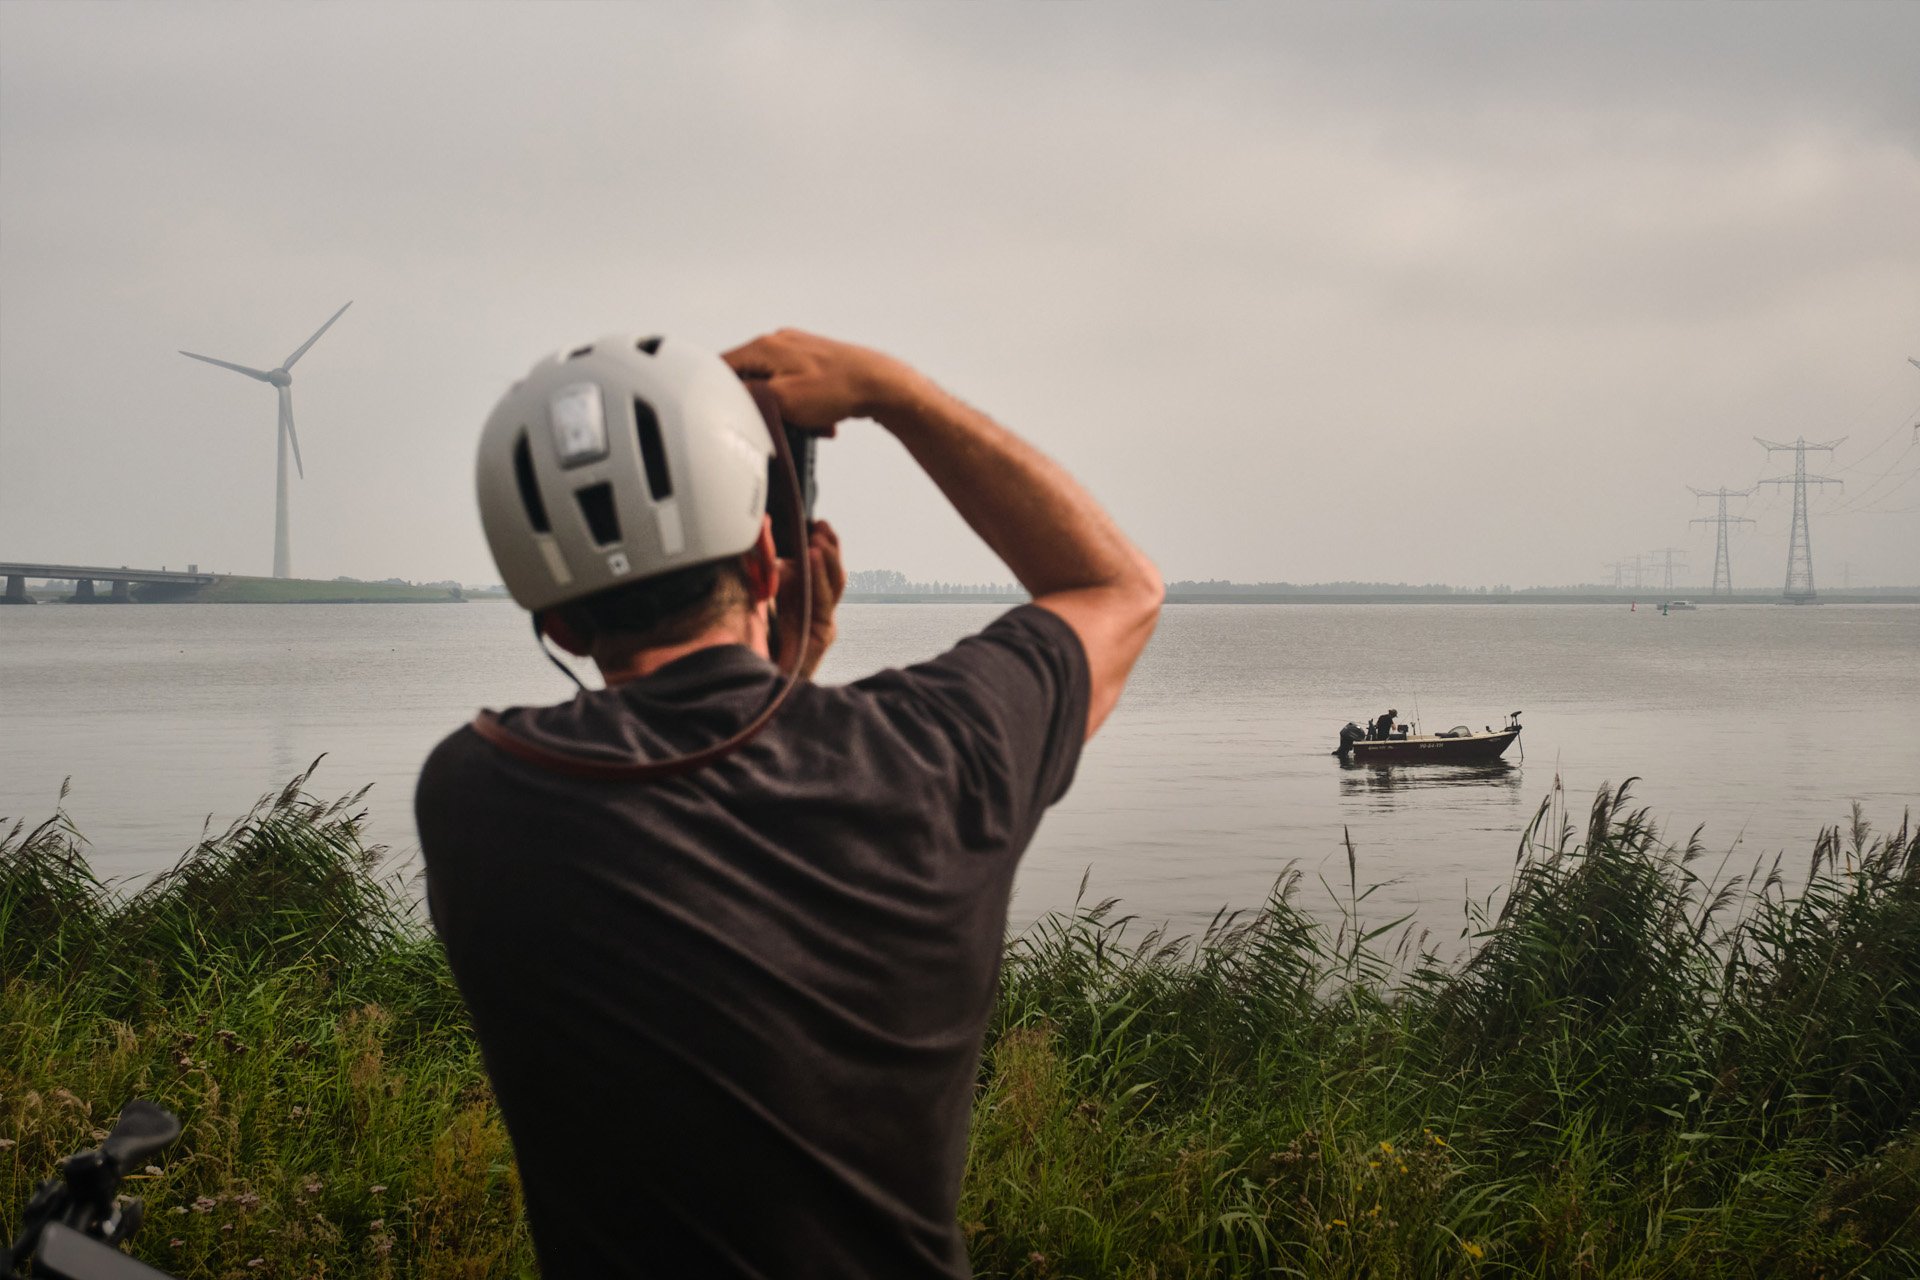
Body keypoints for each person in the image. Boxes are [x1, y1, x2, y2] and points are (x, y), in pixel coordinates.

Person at [415, 329, 1161, 1277]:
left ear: (556, 619)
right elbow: (1116, 588)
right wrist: (902, 395)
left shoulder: (479, 789)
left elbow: (688, 780)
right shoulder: (933, 756)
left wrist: (780, 673)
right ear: (769, 558)